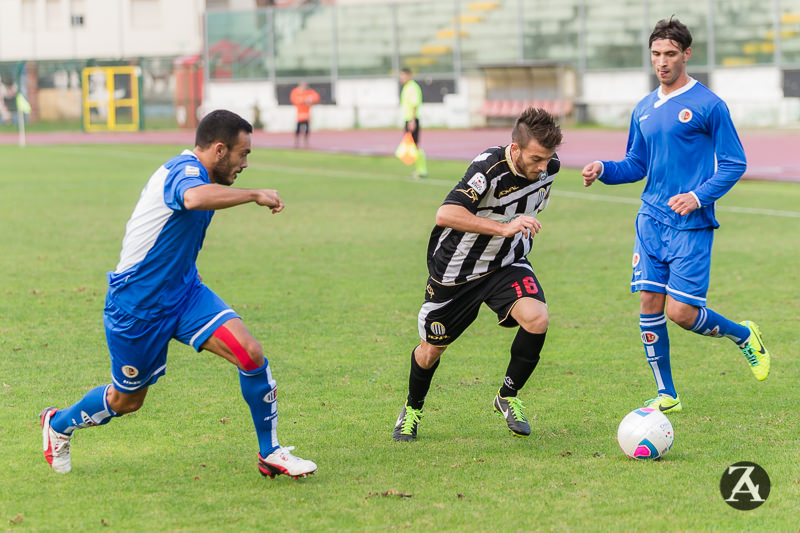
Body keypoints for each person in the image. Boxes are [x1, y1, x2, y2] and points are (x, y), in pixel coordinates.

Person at [40, 109, 317, 479]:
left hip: (185, 294)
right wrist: (253, 195)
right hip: (136, 307)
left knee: (250, 353)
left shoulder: (204, 177)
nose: (245, 163)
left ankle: (271, 452)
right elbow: (192, 199)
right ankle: (58, 425)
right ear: (219, 150)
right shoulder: (182, 172)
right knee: (127, 400)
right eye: (242, 153)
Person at [581, 17, 770, 414]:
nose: (662, 62)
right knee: (649, 303)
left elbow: (734, 163)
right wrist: (604, 169)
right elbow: (636, 164)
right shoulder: (644, 108)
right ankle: (667, 394)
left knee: (681, 313)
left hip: (691, 225)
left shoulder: (708, 105)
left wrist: (698, 197)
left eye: (670, 54)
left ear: (687, 54)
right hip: (650, 221)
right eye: (655, 55)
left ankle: (743, 335)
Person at [392, 107, 562, 442]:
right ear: (516, 149)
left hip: (504, 265)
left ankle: (507, 396)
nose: (543, 167)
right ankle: (412, 409)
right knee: (430, 350)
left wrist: (514, 234)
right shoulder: (487, 168)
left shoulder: (549, 169)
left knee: (537, 318)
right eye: (536, 158)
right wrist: (503, 228)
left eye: (549, 158)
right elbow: (446, 213)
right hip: (457, 272)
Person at [399, 68, 428, 178]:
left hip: (412, 120)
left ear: (409, 75)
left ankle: (422, 170)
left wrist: (412, 120)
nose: (402, 78)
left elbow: (414, 104)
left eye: (404, 76)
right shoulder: (407, 87)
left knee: (415, 145)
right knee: (412, 145)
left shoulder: (412, 87)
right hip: (408, 119)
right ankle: (419, 169)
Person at [289, 81, 320, 148]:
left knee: (307, 129)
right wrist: (304, 100)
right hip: (299, 115)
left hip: (307, 114)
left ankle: (306, 141)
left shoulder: (309, 92)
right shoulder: (296, 92)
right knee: (298, 129)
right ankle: (296, 141)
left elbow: (316, 97)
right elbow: (295, 100)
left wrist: (310, 100)